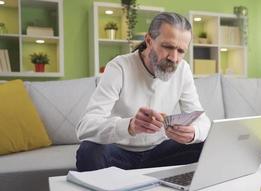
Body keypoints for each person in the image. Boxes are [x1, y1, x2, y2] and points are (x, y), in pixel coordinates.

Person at [75, 12, 211, 172]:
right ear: (148, 40)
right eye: (168, 47)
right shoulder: (119, 67)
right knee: (89, 151)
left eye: (181, 51)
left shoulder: (183, 69)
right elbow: (85, 127)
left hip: (160, 153)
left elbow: (203, 122)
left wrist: (193, 133)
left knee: (207, 145)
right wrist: (130, 125)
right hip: (118, 154)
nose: (174, 58)